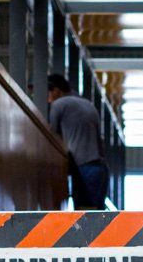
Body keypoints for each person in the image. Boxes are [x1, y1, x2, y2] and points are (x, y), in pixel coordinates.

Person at [46, 73, 108, 209]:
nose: (48, 100)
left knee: (83, 215)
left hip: (82, 166)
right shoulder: (87, 103)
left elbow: (51, 136)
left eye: (48, 94)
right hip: (100, 167)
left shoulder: (58, 104)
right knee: (96, 215)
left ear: (56, 90)